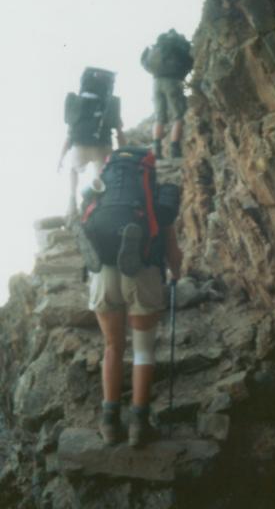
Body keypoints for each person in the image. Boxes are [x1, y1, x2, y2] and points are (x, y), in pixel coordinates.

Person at [83, 147, 182, 447]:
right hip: (142, 271)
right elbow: (173, 253)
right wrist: (175, 273)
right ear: (148, 171)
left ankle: (110, 422)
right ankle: (139, 424)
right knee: (142, 351)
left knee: (112, 346)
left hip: (103, 271)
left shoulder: (102, 190)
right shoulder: (156, 198)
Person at [58, 67, 126, 221]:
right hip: (104, 146)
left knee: (73, 170)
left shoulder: (78, 103)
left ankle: (72, 202)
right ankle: (102, 206)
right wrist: (125, 152)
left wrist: (61, 157)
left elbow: (70, 134)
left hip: (80, 145)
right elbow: (119, 131)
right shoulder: (110, 103)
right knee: (103, 179)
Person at [141, 29, 193, 160]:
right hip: (172, 81)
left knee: (160, 118)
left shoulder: (160, 46)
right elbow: (189, 61)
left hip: (156, 81)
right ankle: (175, 150)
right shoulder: (177, 46)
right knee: (179, 116)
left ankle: (156, 151)